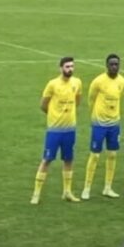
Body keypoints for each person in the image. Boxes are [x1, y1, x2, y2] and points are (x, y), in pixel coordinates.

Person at [31, 56, 82, 204]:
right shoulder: (52, 84)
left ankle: (67, 192)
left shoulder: (77, 82)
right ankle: (36, 194)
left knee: (68, 159)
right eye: (67, 67)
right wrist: (53, 115)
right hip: (54, 130)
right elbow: (43, 104)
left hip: (70, 129)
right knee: (47, 159)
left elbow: (78, 99)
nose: (70, 69)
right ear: (61, 68)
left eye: (72, 66)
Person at [83, 53, 124, 200]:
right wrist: (95, 116)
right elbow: (91, 99)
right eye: (112, 64)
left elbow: (119, 97)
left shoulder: (122, 81)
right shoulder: (98, 82)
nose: (115, 67)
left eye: (117, 64)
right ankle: (87, 188)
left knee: (113, 154)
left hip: (114, 124)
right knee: (95, 155)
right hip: (99, 124)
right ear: (106, 66)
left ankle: (108, 187)